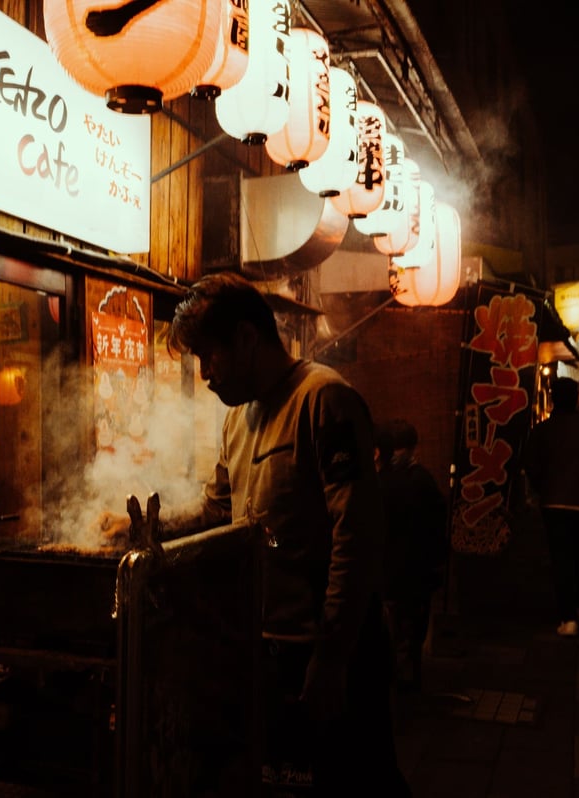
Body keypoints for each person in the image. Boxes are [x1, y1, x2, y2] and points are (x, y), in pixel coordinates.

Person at [157, 272, 409, 797]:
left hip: (327, 650)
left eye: (209, 356)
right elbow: (215, 510)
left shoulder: (324, 400)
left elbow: (357, 535)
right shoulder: (237, 420)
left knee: (357, 779)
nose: (203, 374)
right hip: (267, 648)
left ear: (248, 339)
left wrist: (333, 656)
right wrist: (153, 528)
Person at [521, 377, 579, 637]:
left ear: (552, 399)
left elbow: (531, 465)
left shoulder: (542, 431)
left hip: (553, 503)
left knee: (561, 559)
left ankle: (567, 617)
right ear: (576, 399)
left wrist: (542, 487)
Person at [376, 419, 446, 691]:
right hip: (413, 570)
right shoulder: (419, 479)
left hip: (401, 570)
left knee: (401, 630)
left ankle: (401, 681)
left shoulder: (397, 481)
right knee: (408, 630)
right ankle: (407, 678)